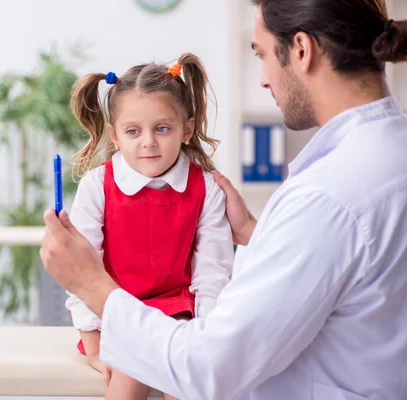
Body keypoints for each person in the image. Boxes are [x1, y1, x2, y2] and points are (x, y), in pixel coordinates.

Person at [41, 0, 407, 398]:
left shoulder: (328, 196)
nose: (264, 79)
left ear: (302, 50)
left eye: (262, 55)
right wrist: (252, 232)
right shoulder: (387, 155)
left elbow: (208, 368)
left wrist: (91, 284)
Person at [64, 53, 234, 400]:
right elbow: (83, 268)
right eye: (133, 131)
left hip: (179, 317)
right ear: (115, 135)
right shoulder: (98, 186)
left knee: (186, 385)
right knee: (128, 378)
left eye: (162, 128)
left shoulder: (208, 189)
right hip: (117, 313)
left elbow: (212, 273)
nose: (148, 142)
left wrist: (205, 343)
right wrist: (94, 346)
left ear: (186, 129)